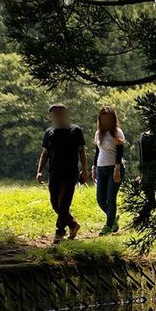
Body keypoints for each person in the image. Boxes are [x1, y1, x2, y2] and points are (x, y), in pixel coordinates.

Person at [36, 104, 89, 242]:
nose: (57, 116)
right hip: (54, 173)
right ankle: (72, 224)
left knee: (64, 203)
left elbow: (82, 151)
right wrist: (39, 171)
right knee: (55, 204)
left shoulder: (75, 130)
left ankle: (60, 232)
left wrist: (85, 169)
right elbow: (45, 152)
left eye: (59, 113)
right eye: (54, 114)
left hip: (70, 173)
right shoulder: (49, 132)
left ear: (65, 114)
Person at [92, 105, 126, 235]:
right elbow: (97, 152)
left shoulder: (117, 132)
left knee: (111, 198)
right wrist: (94, 168)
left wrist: (117, 168)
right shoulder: (98, 133)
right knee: (100, 199)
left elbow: (120, 152)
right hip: (101, 168)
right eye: (103, 118)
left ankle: (108, 225)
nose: (105, 121)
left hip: (114, 168)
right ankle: (113, 219)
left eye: (108, 119)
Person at [135, 127, 156, 227]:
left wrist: (142, 173)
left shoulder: (142, 136)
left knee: (151, 201)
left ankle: (141, 219)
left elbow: (141, 157)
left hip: (147, 172)